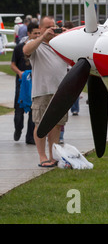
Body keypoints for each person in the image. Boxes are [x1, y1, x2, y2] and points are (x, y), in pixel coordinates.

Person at [23, 16, 68, 168]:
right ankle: (42, 157)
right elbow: (26, 50)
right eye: (48, 26)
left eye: (54, 26)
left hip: (60, 92)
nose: (52, 29)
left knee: (56, 125)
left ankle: (53, 157)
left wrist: (68, 35)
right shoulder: (35, 44)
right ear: (41, 29)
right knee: (41, 125)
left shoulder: (61, 44)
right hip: (42, 92)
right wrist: (42, 37)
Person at [11, 22, 40, 144]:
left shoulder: (40, 48)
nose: (37, 35)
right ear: (28, 33)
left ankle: (30, 137)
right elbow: (12, 64)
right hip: (22, 83)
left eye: (39, 33)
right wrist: (20, 73)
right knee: (19, 112)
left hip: (35, 83)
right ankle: (18, 129)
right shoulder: (19, 48)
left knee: (34, 111)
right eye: (35, 33)